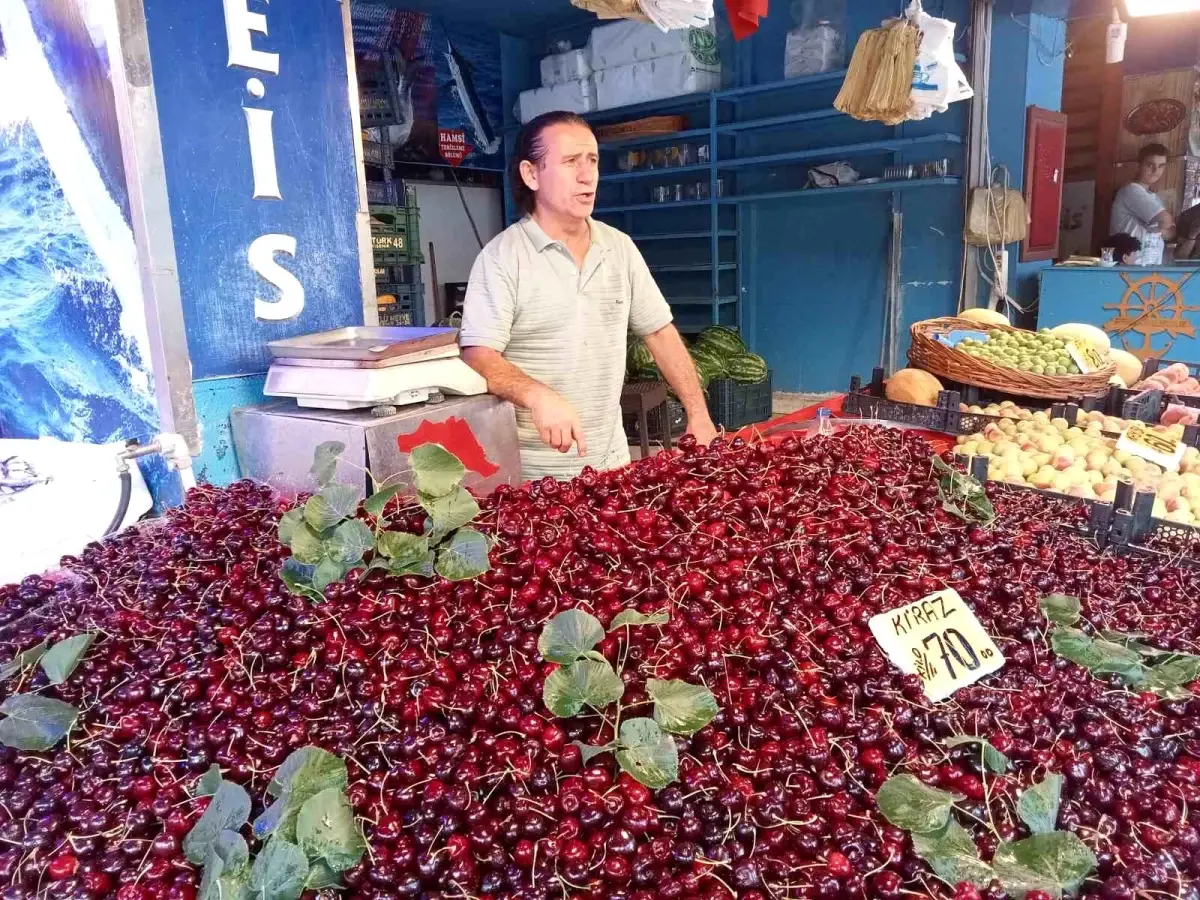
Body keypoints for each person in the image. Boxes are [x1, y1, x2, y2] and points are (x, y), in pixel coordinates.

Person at [459, 111, 718, 480]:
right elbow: (479, 354)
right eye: (570, 162)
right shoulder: (502, 259)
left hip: (610, 461)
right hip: (533, 474)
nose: (587, 175)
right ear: (531, 174)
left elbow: (659, 332)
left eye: (592, 160)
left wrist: (698, 413)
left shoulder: (619, 247)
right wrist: (538, 395)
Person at [1109, 143, 1176, 248]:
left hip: (1150, 262)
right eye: (1150, 165)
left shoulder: (1155, 198)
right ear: (1139, 165)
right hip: (1129, 262)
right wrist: (1161, 228)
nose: (1156, 171)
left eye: (1161, 166)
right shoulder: (1131, 191)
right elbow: (1165, 220)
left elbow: (1172, 233)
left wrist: (1159, 228)